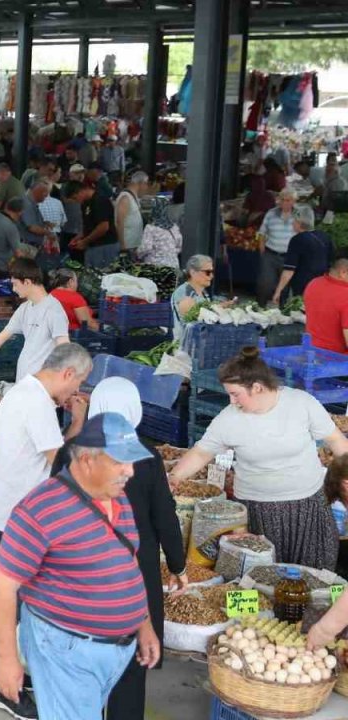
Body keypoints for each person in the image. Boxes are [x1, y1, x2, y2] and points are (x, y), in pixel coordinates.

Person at [0, 413, 161, 720]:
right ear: (86, 460)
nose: (130, 471)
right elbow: (3, 584)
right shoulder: (40, 510)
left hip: (112, 650)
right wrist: (6, 658)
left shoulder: (118, 499)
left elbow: (128, 563)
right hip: (66, 649)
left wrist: (143, 624)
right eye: (120, 462)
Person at [49, 378, 187, 720]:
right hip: (131, 573)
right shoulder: (146, 456)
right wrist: (177, 565)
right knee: (129, 664)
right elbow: (164, 516)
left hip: (79, 569)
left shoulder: (71, 452)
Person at [0, 342, 92, 717]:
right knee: (27, 607)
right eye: (78, 384)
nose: (75, 393)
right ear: (67, 373)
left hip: (9, 514)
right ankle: (6, 688)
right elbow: (61, 464)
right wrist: (78, 421)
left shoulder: (21, 391)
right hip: (24, 521)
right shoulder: (39, 404)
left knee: (16, 604)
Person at [169, 348, 348, 569]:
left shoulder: (301, 403)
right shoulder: (229, 419)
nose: (231, 401)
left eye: (235, 394)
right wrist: (175, 476)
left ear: (257, 387)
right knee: (264, 576)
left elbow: (336, 441)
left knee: (312, 576)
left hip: (308, 507)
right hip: (257, 510)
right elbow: (201, 452)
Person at [272, 205, 333, 305]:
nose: (292, 223)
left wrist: (278, 291)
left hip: (303, 286)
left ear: (299, 223)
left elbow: (289, 270)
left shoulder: (297, 240)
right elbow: (331, 262)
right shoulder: (325, 237)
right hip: (322, 284)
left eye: (294, 220)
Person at [170, 254, 229, 341]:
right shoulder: (184, 293)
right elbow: (191, 322)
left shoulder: (203, 292)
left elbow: (205, 312)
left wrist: (221, 307)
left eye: (212, 272)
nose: (211, 276)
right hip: (187, 344)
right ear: (193, 272)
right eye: (208, 272)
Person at [257, 190, 300, 304]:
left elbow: (302, 233)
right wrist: (262, 250)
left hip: (289, 256)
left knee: (285, 286)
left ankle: (282, 311)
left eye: (288, 200)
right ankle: (260, 306)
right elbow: (262, 232)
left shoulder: (298, 215)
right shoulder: (271, 213)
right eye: (283, 200)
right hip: (270, 253)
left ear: (294, 201)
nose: (285, 203)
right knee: (265, 282)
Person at [304, 253, 348, 353]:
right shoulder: (346, 295)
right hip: (337, 360)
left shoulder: (313, 283)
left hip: (310, 353)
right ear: (343, 273)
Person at [71, 181, 119, 268]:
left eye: (75, 198)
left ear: (81, 191)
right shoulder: (85, 204)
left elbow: (103, 227)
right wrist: (78, 237)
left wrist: (85, 241)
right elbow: (88, 226)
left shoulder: (100, 200)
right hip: (92, 246)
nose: (76, 201)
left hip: (105, 245)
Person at [136, 196, 183, 270]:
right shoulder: (174, 227)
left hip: (155, 267)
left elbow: (146, 247)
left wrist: (138, 254)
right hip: (173, 265)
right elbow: (179, 247)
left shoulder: (150, 228)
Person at [115, 172, 148, 255]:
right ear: (141, 183)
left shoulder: (133, 197)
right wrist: (123, 246)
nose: (146, 187)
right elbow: (119, 222)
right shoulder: (125, 198)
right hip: (127, 246)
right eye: (146, 184)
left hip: (134, 245)